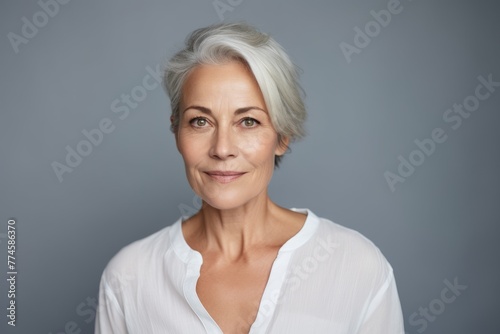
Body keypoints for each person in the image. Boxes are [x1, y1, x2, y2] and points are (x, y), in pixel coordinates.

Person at [95, 22, 405, 334]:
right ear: (177, 131)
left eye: (248, 121)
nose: (222, 148)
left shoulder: (355, 267)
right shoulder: (129, 277)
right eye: (200, 121)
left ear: (282, 136)